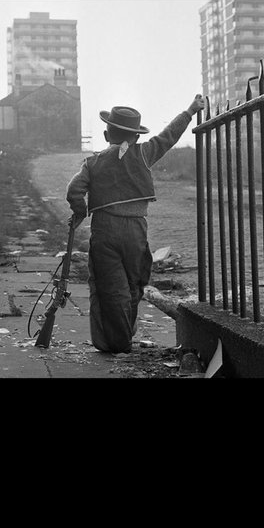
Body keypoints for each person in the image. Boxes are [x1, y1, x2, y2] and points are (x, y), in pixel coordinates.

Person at [66, 96, 205, 355]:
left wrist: (80, 211)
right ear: (137, 136)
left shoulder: (92, 163)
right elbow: (169, 136)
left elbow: (74, 189)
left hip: (105, 229)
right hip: (136, 231)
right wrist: (190, 110)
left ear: (107, 134)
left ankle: (116, 342)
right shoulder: (143, 153)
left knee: (109, 287)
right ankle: (123, 336)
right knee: (133, 285)